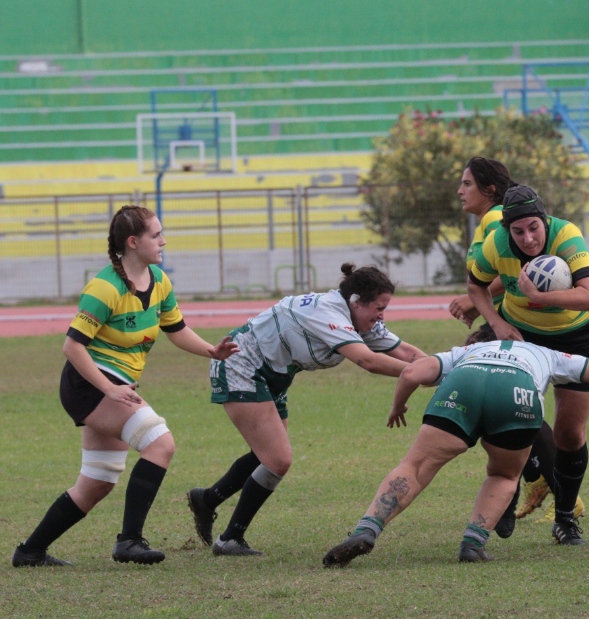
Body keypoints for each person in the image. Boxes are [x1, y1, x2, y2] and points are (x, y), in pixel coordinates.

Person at [322, 323, 589, 567]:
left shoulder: (468, 350)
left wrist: (399, 405)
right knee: (503, 475)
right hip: (517, 391)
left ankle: (367, 529)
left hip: (465, 381)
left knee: (415, 466)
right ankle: (473, 544)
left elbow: (412, 373)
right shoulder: (545, 353)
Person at [12, 206, 239, 568]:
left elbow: (176, 329)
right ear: (133, 243)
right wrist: (109, 388)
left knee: (98, 481)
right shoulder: (105, 287)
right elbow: (72, 347)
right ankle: (129, 541)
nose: (163, 240)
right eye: (156, 235)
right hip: (88, 385)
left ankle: (29, 551)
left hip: (114, 386)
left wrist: (212, 350)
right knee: (160, 442)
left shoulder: (159, 281)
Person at [185, 263, 425, 557]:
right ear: (356, 301)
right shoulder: (328, 314)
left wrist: (448, 369)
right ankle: (230, 538)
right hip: (241, 361)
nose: (382, 316)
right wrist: (421, 375)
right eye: (379, 307)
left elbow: (408, 354)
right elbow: (369, 361)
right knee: (277, 458)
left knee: (270, 452)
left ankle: (207, 499)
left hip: (273, 371)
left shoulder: (358, 319)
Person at [465, 184, 589, 546]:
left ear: (544, 221)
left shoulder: (567, 236)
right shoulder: (495, 243)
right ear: (507, 230)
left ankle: (564, 518)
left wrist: (538, 297)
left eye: (534, 228)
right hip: (523, 333)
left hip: (578, 334)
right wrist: (496, 323)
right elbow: (475, 285)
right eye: (518, 231)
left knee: (570, 434)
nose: (528, 238)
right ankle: (508, 491)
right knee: (507, 412)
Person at [446, 157, 577, 538]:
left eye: (467, 183)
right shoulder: (492, 223)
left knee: (502, 399)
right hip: (503, 322)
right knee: (509, 402)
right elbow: (487, 276)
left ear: (489, 189)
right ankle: (528, 480)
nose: (460, 190)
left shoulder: (498, 220)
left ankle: (529, 482)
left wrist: (479, 305)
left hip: (516, 325)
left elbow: (512, 274)